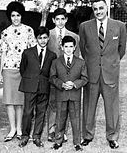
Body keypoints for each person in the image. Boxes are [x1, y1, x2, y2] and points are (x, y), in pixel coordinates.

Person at [79, 0, 127, 149]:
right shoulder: (84, 27)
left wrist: (110, 64)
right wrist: (92, 65)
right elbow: (83, 48)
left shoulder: (119, 26)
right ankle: (87, 136)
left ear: (106, 8)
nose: (98, 11)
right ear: (93, 10)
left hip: (110, 74)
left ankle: (112, 137)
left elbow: (121, 50)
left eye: (101, 8)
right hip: (91, 73)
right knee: (88, 106)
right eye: (95, 9)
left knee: (112, 108)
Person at [0, 1, 36, 142]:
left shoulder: (29, 30)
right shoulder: (5, 33)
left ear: (22, 16)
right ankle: (12, 129)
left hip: (23, 71)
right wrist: (0, 72)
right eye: (13, 15)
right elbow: (3, 53)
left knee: (20, 102)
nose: (15, 18)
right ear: (10, 16)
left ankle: (20, 129)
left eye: (18, 15)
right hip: (8, 69)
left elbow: (33, 52)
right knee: (9, 101)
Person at [18, 26, 56, 148]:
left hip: (44, 87)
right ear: (36, 38)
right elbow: (22, 69)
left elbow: (51, 72)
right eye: (40, 38)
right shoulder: (27, 53)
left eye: (45, 38)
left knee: (41, 111)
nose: (43, 40)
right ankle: (25, 136)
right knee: (28, 112)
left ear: (48, 38)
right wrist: (31, 80)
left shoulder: (52, 55)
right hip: (30, 85)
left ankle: (37, 136)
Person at [47, 8, 80, 142]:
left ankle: (63, 130)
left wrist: (72, 80)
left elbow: (76, 60)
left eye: (62, 19)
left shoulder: (74, 36)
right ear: (53, 20)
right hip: (53, 76)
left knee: (66, 104)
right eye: (57, 19)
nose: (60, 21)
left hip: (68, 78)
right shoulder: (48, 35)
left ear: (66, 20)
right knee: (53, 103)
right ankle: (51, 130)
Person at [50, 36, 88, 151]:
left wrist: (75, 84)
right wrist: (61, 84)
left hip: (74, 94)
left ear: (75, 47)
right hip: (61, 94)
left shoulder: (81, 62)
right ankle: (58, 141)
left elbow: (85, 78)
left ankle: (77, 143)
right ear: (62, 47)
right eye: (66, 46)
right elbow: (52, 77)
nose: (68, 49)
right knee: (60, 119)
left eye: (71, 46)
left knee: (76, 118)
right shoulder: (56, 62)